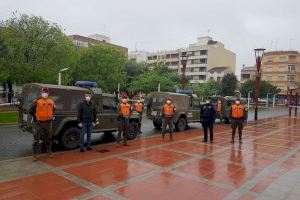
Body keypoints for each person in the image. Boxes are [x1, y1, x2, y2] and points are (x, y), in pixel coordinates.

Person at [29, 87, 56, 160]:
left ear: (48, 93)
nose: (45, 94)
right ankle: (34, 154)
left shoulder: (51, 101)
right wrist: (36, 119)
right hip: (39, 123)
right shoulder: (37, 101)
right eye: (44, 92)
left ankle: (49, 151)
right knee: (36, 139)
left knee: (48, 138)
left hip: (48, 123)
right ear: (41, 93)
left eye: (46, 92)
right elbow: (31, 111)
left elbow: (53, 109)